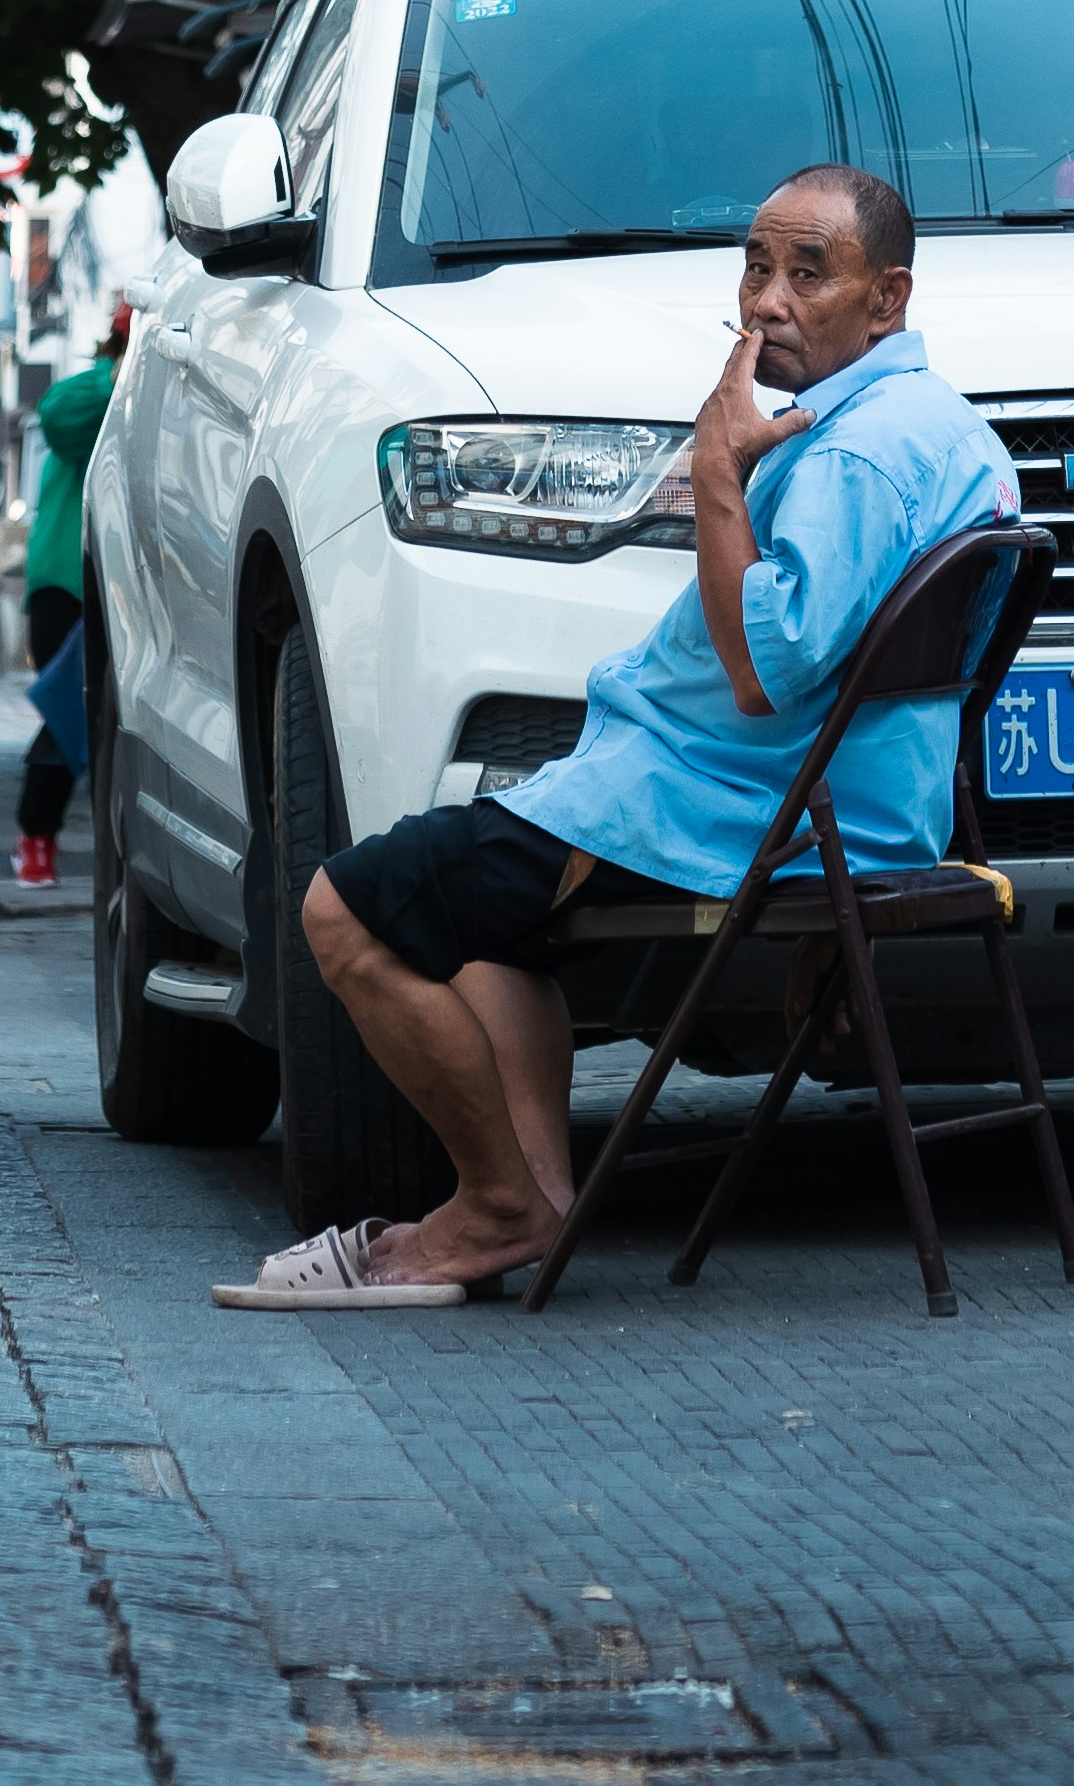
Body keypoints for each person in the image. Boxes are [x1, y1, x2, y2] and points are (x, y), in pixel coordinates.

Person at [215, 160, 1016, 1310]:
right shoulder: (945, 427)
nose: (766, 302)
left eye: (808, 274)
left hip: (723, 802)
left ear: (887, 298)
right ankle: (531, 1198)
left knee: (343, 909)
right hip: (820, 802)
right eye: (755, 266)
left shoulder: (851, 450)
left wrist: (715, 471)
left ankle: (492, 1206)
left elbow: (764, 674)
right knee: (484, 927)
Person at [13, 301, 128, 883]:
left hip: (128, 584)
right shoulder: (99, 395)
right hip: (69, 582)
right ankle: (35, 838)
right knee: (69, 711)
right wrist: (122, 373)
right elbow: (56, 412)